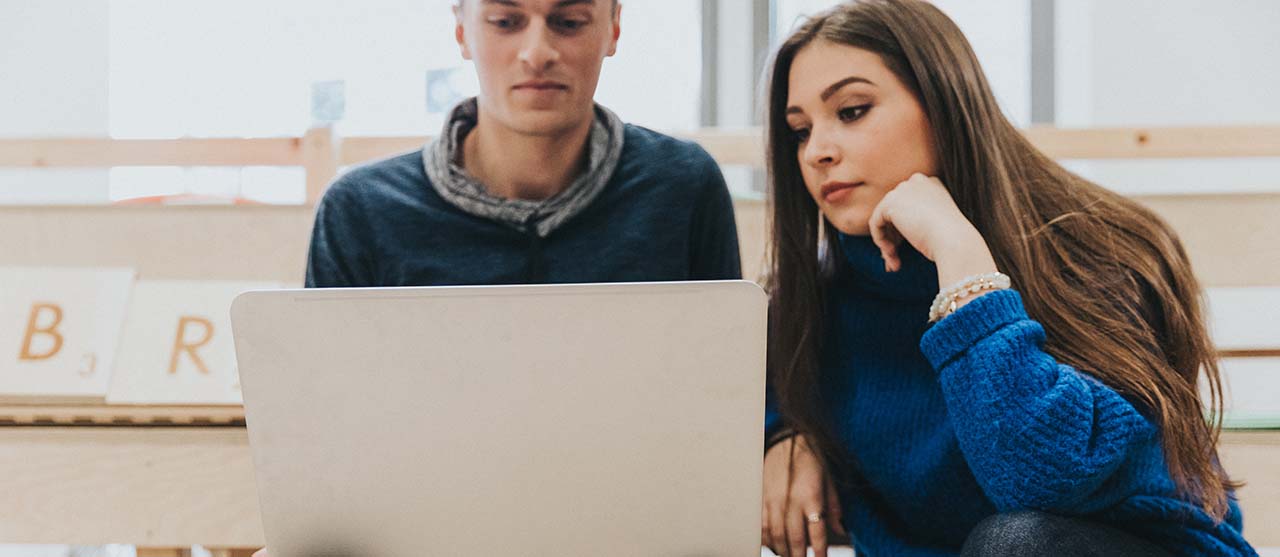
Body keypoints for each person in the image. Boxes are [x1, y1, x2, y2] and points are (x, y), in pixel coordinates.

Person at [758, 1, 1255, 556]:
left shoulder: (1101, 253)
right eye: (799, 131)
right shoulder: (808, 305)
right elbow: (738, 401)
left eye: (851, 111)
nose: (818, 152)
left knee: (1015, 543)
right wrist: (783, 435)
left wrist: (960, 259)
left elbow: (1039, 475)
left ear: (944, 105)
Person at [305, 0, 741, 288]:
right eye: (505, 22)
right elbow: (321, 409)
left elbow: (730, 386)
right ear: (461, 31)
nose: (537, 52)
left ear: (613, 29)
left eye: (569, 22)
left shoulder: (683, 187)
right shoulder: (361, 211)